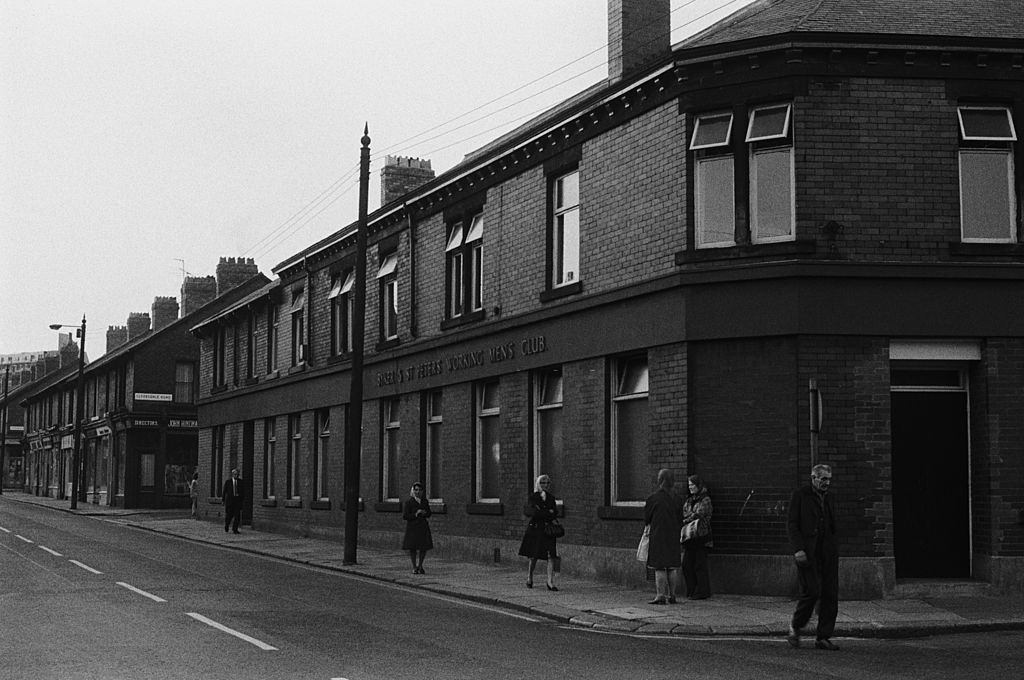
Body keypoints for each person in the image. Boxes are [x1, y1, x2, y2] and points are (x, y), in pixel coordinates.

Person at [787, 463, 840, 651]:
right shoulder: (800, 495)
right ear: (813, 478)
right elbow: (792, 525)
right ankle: (796, 625)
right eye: (823, 479)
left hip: (828, 552)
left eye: (829, 479)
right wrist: (798, 549)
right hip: (807, 553)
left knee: (830, 594)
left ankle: (823, 637)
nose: (827, 483)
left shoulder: (830, 498)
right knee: (812, 591)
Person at [643, 468, 684, 604]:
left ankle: (660, 595)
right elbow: (681, 518)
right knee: (672, 566)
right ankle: (672, 595)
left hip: (658, 535)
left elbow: (647, 518)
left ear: (660, 480)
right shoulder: (678, 499)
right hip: (673, 535)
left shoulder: (653, 499)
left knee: (659, 566)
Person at [518, 474, 560, 591]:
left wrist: (545, 512)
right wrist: (548, 512)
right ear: (538, 484)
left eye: (547, 483)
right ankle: (529, 577)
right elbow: (534, 513)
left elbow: (555, 512)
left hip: (548, 530)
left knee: (551, 555)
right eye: (543, 483)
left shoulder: (551, 498)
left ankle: (550, 582)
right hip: (536, 529)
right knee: (534, 555)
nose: (545, 485)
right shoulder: (533, 497)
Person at [681, 474, 712, 600]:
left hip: (701, 536)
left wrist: (686, 519)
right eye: (689, 485)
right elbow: (685, 512)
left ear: (699, 485)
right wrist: (688, 517)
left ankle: (703, 591)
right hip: (690, 537)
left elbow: (699, 514)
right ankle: (692, 589)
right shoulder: (690, 500)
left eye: (692, 485)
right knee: (687, 565)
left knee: (700, 565)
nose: (690, 488)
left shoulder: (705, 499)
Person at [401, 482, 433, 574]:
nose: (418, 492)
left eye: (419, 490)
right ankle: (414, 567)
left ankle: (420, 565)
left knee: (423, 547)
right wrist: (415, 514)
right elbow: (405, 516)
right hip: (413, 528)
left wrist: (424, 513)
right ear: (413, 491)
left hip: (423, 527)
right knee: (413, 548)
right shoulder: (409, 502)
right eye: (416, 490)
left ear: (422, 491)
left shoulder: (425, 501)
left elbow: (429, 513)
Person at [222, 468, 244, 534]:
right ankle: (226, 525)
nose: (236, 476)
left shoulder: (240, 482)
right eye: (235, 474)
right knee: (229, 516)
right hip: (230, 501)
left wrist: (242, 500)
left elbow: (243, 492)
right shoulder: (228, 482)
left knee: (237, 516)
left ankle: (235, 529)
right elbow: (224, 492)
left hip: (237, 501)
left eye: (237, 474)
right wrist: (223, 500)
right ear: (232, 475)